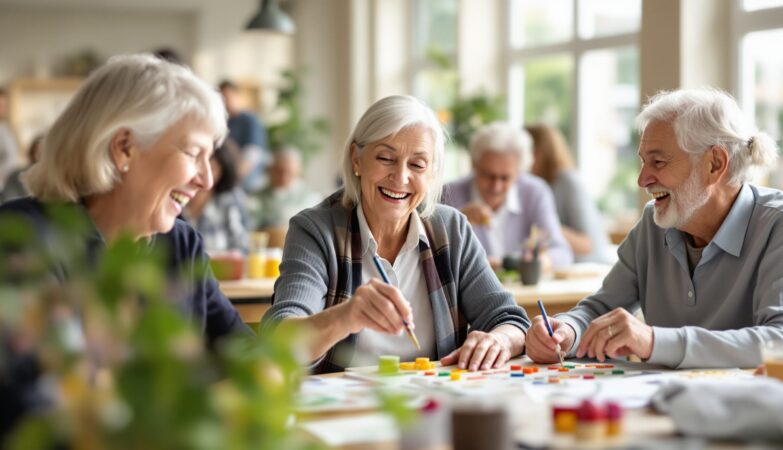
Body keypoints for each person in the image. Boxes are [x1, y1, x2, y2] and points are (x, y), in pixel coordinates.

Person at [261, 95, 529, 374]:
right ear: (357, 159)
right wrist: (346, 316)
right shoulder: (316, 230)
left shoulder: (451, 229)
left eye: (417, 165)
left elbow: (510, 320)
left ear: (432, 173)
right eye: (386, 158)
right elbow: (279, 341)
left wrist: (499, 340)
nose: (401, 177)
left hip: (433, 404)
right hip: (342, 411)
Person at [525, 88, 783, 369]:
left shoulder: (775, 224)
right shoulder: (654, 223)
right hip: (664, 405)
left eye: (658, 162)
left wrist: (653, 341)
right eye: (643, 162)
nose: (642, 179)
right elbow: (600, 309)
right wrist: (566, 331)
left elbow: (778, 341)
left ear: (715, 164)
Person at [0, 54, 250, 343]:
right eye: (194, 154)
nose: (206, 179)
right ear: (124, 148)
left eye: (210, 157)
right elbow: (38, 384)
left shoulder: (180, 245)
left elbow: (245, 354)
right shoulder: (22, 238)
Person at [442, 122, 573, 270]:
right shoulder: (448, 195)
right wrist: (456, 223)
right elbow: (433, 257)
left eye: (505, 178)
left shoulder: (535, 193)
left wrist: (529, 263)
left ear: (519, 173)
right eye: (488, 175)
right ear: (474, 165)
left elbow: (562, 253)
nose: (496, 186)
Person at [526, 123, 613, 264]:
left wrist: (546, 224)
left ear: (539, 153)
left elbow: (588, 244)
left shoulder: (568, 182)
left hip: (588, 269)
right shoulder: (530, 186)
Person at [183, 138, 249, 254]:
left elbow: (241, 248)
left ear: (222, 171)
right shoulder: (175, 198)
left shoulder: (229, 201)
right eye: (197, 165)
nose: (204, 175)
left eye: (212, 169)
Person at [249, 146, 322, 230]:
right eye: (279, 172)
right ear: (270, 170)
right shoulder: (257, 195)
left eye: (289, 173)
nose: (284, 177)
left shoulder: (310, 196)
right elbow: (250, 225)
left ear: (298, 171)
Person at [218, 80, 269, 192]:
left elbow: (252, 155)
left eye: (227, 97)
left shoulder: (250, 120)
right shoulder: (223, 122)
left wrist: (232, 179)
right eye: (221, 98)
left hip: (248, 185)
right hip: (228, 183)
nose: (224, 102)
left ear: (237, 96)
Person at [1, 134, 42, 203]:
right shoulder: (17, 174)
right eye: (36, 152)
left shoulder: (55, 177)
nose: (37, 156)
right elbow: (9, 199)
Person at [0, 87, 20, 189]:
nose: (3, 109)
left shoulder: (7, 128)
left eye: (4, 105)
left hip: (11, 184)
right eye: (0, 105)